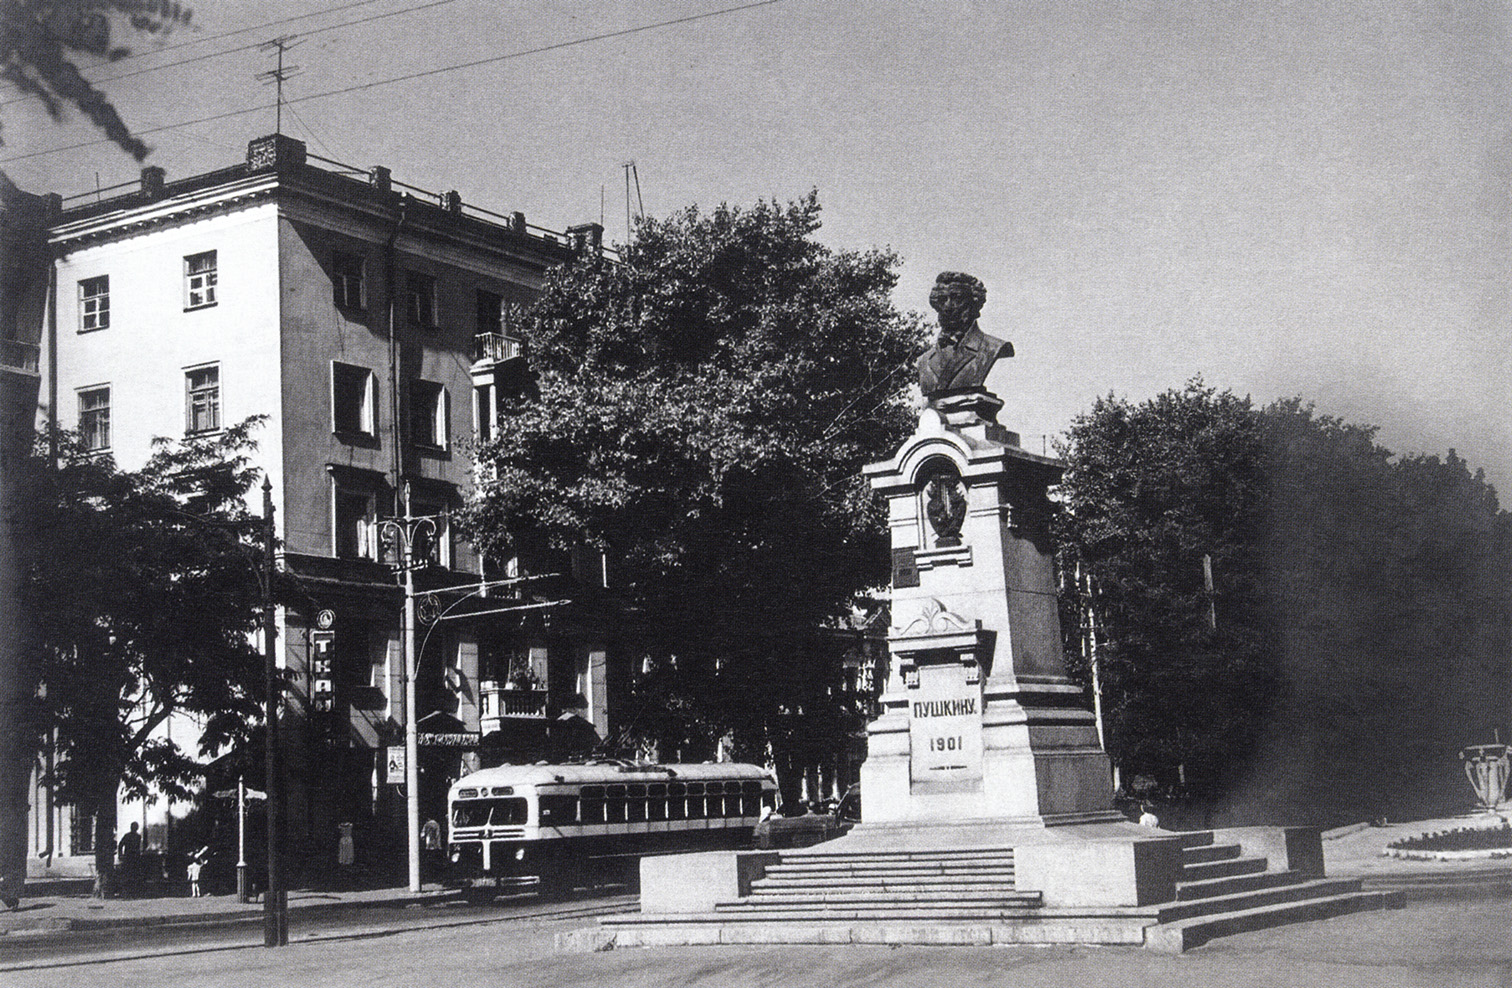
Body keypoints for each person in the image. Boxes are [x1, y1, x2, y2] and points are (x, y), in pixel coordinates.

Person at [916, 271, 1014, 399]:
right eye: (942, 300)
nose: (948, 306)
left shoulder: (991, 347)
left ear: (974, 303)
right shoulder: (925, 360)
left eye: (957, 298)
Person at [116, 822, 143, 894]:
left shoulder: (138, 837)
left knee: (134, 874)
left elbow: (138, 847)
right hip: (129, 857)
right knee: (128, 874)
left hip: (135, 858)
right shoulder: (127, 836)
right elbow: (120, 845)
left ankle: (133, 891)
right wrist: (120, 855)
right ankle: (127, 891)